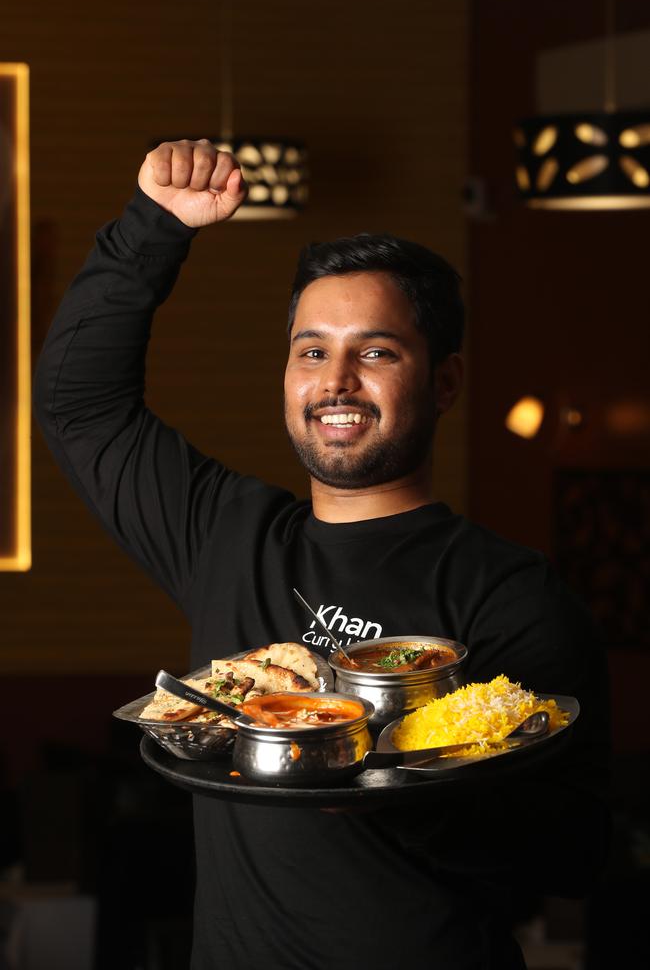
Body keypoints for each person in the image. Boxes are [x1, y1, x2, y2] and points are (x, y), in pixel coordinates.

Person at [34, 140, 610, 970]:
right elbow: (77, 404)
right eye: (312, 350)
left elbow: (572, 854)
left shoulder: (511, 595)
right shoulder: (227, 535)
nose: (335, 379)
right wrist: (153, 227)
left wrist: (379, 782)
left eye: (375, 352)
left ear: (442, 383)